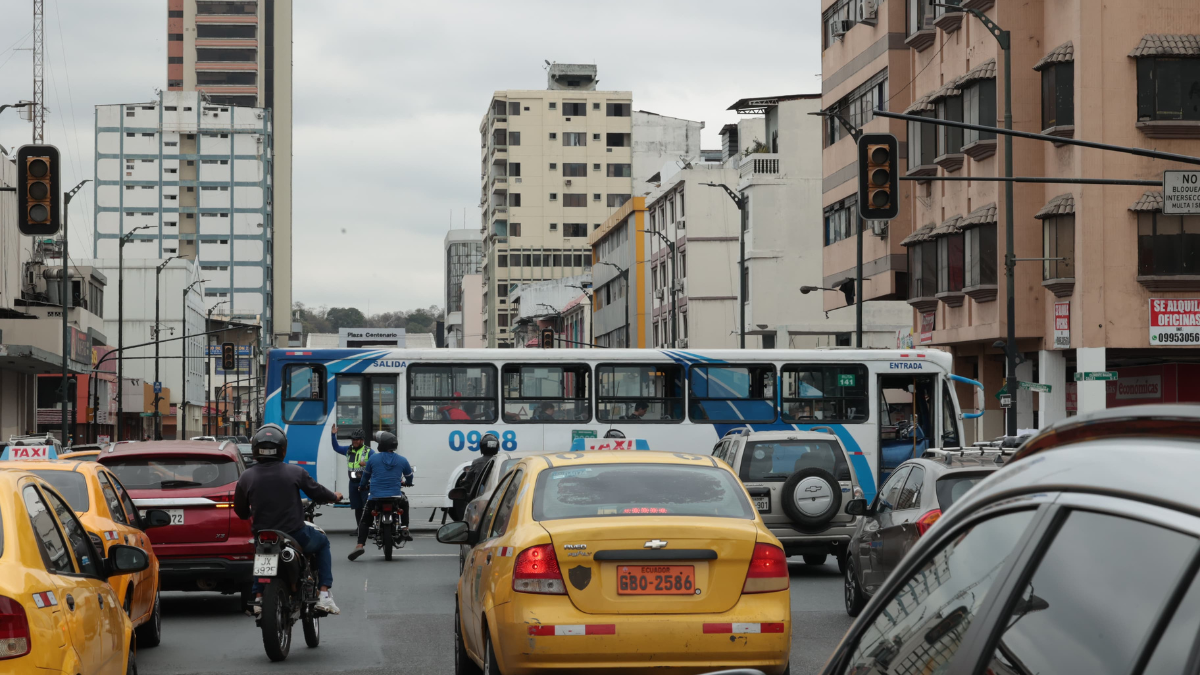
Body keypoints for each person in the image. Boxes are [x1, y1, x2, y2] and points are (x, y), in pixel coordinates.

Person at [234, 423, 343, 615]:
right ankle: (324, 594)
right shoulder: (295, 472)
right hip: (295, 534)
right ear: (283, 449)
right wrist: (334, 496)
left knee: (262, 554)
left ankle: (258, 596)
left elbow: (241, 511)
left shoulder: (246, 477)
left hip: (263, 536)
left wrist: (250, 513)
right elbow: (318, 492)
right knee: (323, 542)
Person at [349, 431, 414, 560]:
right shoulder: (402, 460)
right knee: (405, 503)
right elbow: (409, 476)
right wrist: (408, 483)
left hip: (375, 497)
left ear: (381, 445)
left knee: (365, 519)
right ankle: (405, 528)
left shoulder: (373, 459)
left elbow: (365, 477)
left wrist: (362, 486)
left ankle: (360, 545)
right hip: (395, 496)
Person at [330, 426, 371, 536]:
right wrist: (333, 435)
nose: (354, 441)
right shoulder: (348, 450)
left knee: (367, 507)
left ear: (362, 440)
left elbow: (376, 463)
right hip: (352, 483)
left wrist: (366, 464)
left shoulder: (368, 451)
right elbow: (336, 447)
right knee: (357, 507)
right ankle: (359, 529)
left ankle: (369, 529)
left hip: (365, 483)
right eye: (353, 439)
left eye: (357, 439)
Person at [456, 433, 499, 504]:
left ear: (482, 447)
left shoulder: (476, 462)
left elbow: (468, 480)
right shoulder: (500, 460)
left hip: (480, 497)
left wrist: (463, 481)